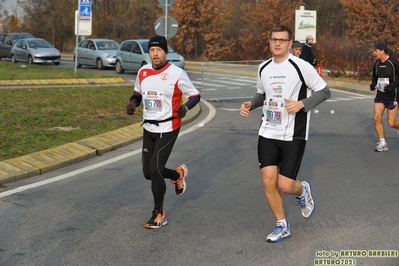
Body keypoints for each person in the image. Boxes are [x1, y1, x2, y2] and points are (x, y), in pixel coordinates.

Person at [240, 25, 331, 243]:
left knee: (285, 185)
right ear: (269, 42)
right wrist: (250, 104)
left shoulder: (301, 66)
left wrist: (302, 104)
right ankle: (282, 225)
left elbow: (325, 91)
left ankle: (302, 190)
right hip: (267, 130)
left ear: (290, 43)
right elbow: (262, 94)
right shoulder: (263, 68)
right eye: (274, 40)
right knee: (268, 181)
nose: (278, 43)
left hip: (293, 134)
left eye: (282, 40)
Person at [126, 35, 201, 229]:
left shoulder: (177, 73)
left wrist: (186, 107)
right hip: (149, 127)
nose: (155, 53)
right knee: (147, 173)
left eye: (159, 50)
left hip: (168, 127)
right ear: (149, 52)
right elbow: (138, 93)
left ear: (165, 52)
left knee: (156, 169)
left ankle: (159, 213)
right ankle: (177, 176)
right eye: (152, 50)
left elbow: (195, 95)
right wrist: (133, 102)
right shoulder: (143, 71)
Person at [370, 41, 399, 152]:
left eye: (376, 50)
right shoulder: (377, 64)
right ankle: (383, 143)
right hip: (380, 95)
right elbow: (375, 76)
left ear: (382, 50)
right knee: (376, 118)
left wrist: (392, 86)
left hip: (393, 95)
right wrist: (373, 84)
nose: (374, 52)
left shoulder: (393, 63)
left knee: (391, 123)